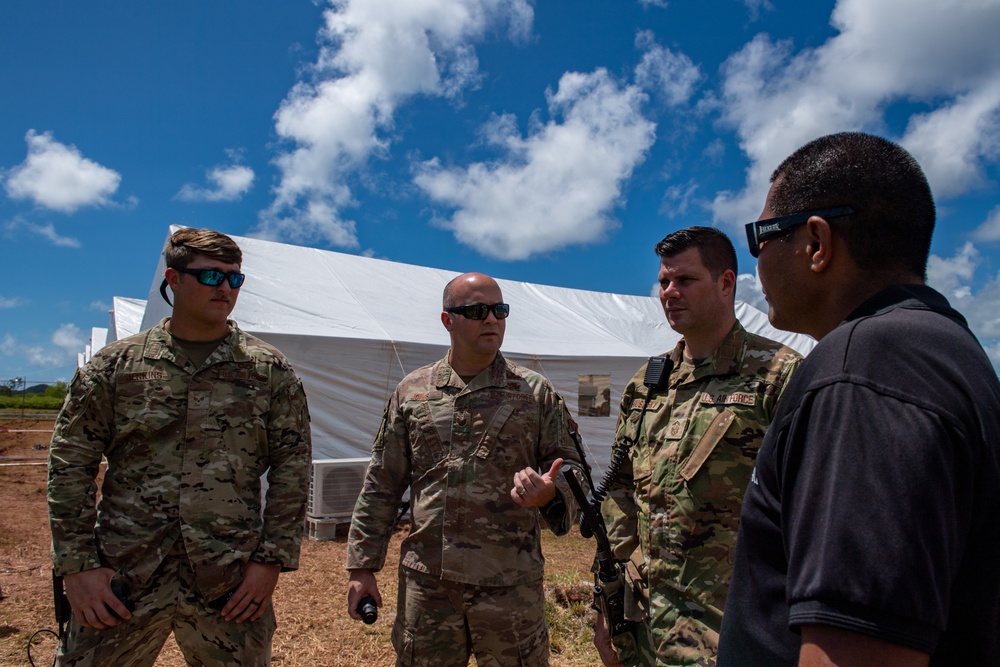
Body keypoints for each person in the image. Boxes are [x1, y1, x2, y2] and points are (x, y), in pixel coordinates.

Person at [717, 132, 1000, 666]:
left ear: (817, 244)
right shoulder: (945, 349)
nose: (758, 261)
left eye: (761, 237)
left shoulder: (862, 367)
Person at [48, 227, 312, 666]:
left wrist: (270, 561)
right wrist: (76, 567)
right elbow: (70, 464)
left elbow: (292, 466)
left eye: (235, 278)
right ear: (173, 279)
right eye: (211, 277)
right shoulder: (117, 366)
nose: (225, 288)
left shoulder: (267, 370)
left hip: (227, 580)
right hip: (123, 575)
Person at [345, 272, 588, 667]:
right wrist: (362, 567)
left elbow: (574, 469)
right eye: (477, 311)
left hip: (509, 586)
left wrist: (551, 493)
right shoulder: (413, 391)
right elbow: (382, 484)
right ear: (448, 320)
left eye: (499, 310)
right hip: (429, 588)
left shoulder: (533, 392)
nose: (491, 319)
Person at [593, 227, 803, 667]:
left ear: (726, 282)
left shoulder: (779, 377)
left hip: (732, 633)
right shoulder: (647, 385)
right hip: (646, 630)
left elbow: (810, 515)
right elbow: (618, 494)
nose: (669, 292)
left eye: (684, 280)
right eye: (664, 282)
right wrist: (608, 603)